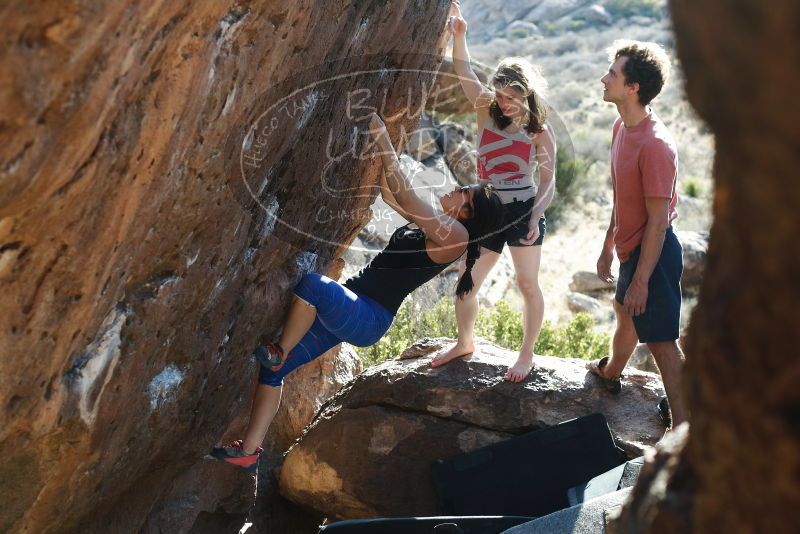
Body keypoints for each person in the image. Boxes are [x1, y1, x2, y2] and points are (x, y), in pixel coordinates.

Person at [209, 113, 505, 470]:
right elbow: (392, 196)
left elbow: (409, 199)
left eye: (464, 193)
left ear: (468, 213)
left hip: (368, 316)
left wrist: (384, 140)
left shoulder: (456, 236)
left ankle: (280, 349)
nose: (456, 188)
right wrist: (384, 151)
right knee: (273, 372)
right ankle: (249, 451)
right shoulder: (437, 229)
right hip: (354, 304)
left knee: (312, 286)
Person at [431, 1, 557, 382]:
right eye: (501, 94)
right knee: (466, 283)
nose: (504, 102)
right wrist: (460, 34)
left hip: (522, 211)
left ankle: (526, 354)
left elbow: (549, 182)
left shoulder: (539, 130)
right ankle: (464, 342)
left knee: (526, 284)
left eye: (512, 96)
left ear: (528, 93)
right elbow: (463, 69)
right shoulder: (486, 109)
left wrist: (535, 217)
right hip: (488, 210)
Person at [587, 40, 688, 430]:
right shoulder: (621, 127)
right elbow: (622, 196)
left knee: (661, 342)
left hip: (656, 254)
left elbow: (658, 222)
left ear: (633, 87)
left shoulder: (656, 145)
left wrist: (642, 280)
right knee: (624, 311)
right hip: (633, 249)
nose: (604, 78)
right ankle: (612, 371)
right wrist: (608, 245)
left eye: (612, 74)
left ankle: (683, 430)